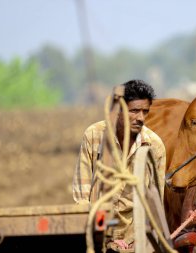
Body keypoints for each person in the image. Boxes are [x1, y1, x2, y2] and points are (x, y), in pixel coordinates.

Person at [72, 79, 166, 252]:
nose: (141, 118)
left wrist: (141, 240)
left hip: (134, 236)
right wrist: (102, 236)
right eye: (134, 111)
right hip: (97, 230)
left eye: (145, 111)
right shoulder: (94, 135)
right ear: (119, 111)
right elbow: (82, 194)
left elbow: (156, 201)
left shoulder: (154, 146)